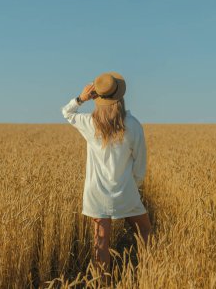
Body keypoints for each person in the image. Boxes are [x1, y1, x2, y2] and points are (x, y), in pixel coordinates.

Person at [61, 71, 151, 284]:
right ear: (120, 96)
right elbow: (140, 164)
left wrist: (81, 98)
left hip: (96, 194)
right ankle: (147, 276)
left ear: (97, 99)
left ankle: (102, 284)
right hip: (125, 192)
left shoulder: (89, 123)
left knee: (101, 244)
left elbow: (67, 112)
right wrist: (132, 186)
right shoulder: (133, 125)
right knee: (145, 230)